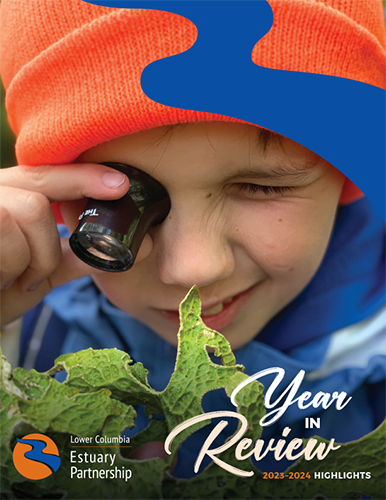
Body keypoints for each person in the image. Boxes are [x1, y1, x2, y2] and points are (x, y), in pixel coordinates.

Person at [0, 0, 385, 477]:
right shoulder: (25, 335)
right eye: (125, 209)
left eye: (263, 187)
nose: (193, 269)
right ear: (57, 198)